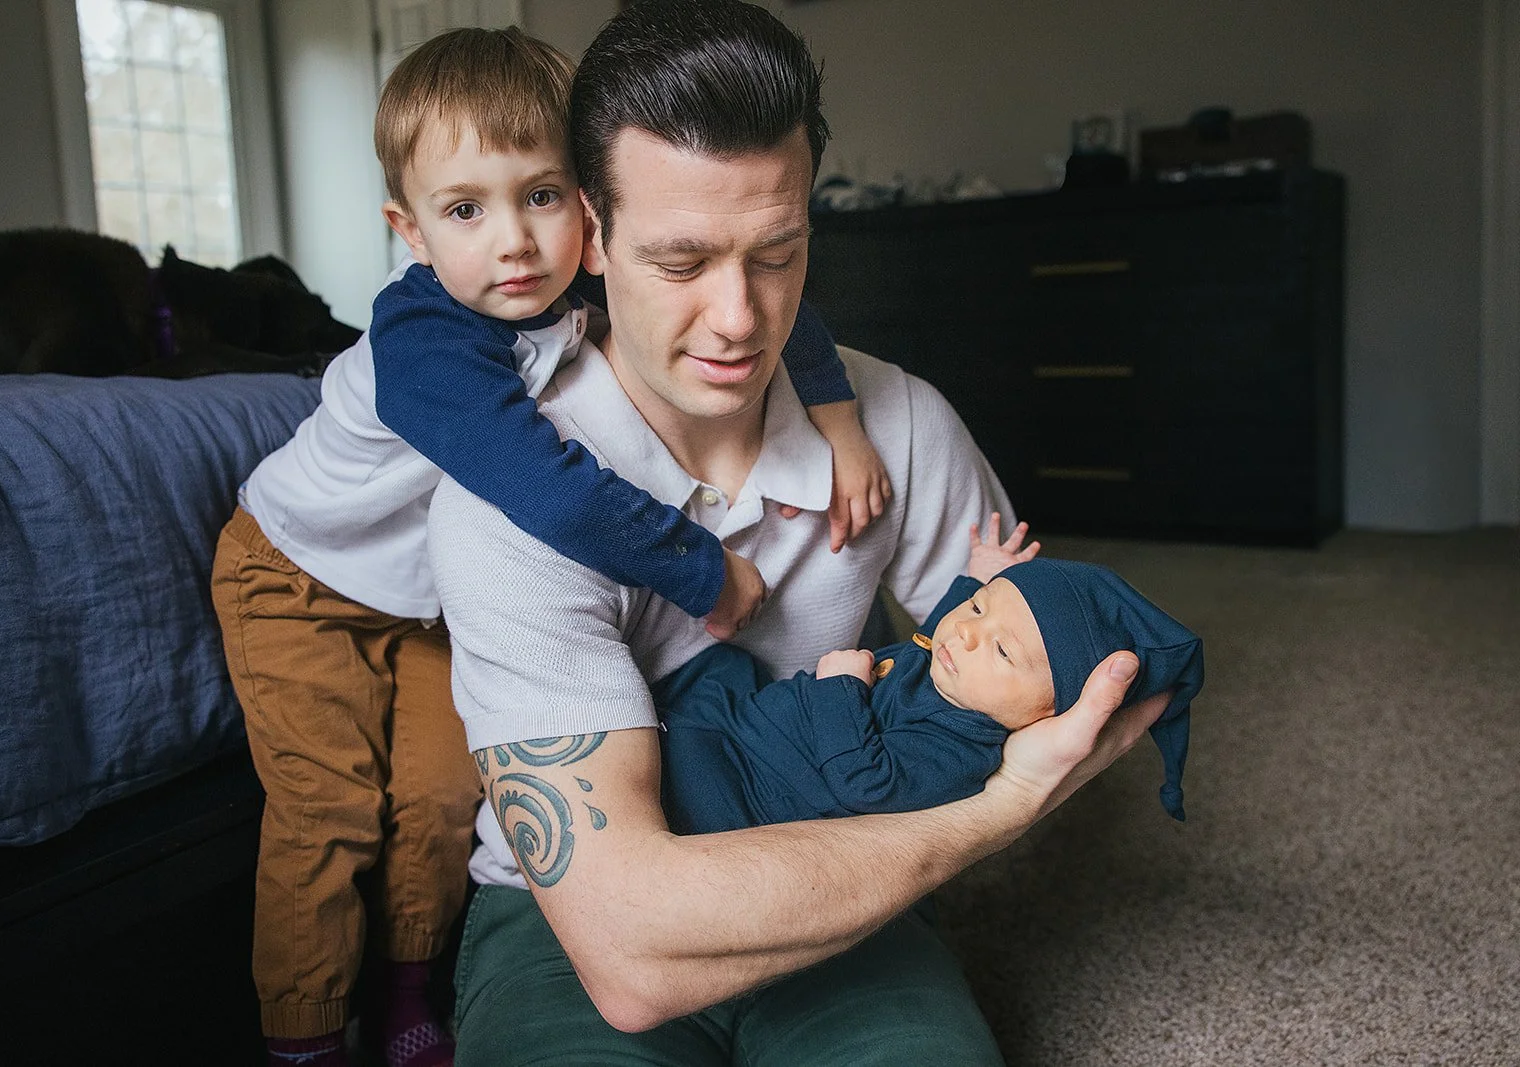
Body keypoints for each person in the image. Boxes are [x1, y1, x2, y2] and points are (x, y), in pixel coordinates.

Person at [423, 2, 1173, 1063]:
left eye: (776, 253)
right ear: (589, 232)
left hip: (839, 874)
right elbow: (631, 957)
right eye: (683, 264)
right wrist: (993, 812)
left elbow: (1056, 661)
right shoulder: (508, 497)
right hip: (570, 922)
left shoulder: (899, 421)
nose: (740, 317)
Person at [209, 25, 889, 1067]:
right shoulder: (426, 346)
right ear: (411, 231)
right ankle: (302, 1032)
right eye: (466, 211)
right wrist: (702, 567)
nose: (515, 243)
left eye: (541, 196)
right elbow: (550, 493)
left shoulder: (576, 286)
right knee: (331, 810)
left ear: (595, 213)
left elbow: (752, 285)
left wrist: (839, 421)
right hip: (296, 577)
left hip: (422, 595)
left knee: (443, 795)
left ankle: (409, 990)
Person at [654, 515, 1205, 836]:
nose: (965, 633)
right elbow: (948, 628)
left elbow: (867, 784)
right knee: (711, 665)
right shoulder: (959, 668)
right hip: (756, 718)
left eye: (1004, 652)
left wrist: (842, 687)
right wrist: (978, 579)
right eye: (981, 609)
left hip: (749, 788)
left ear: (1046, 713)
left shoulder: (960, 750)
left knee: (675, 753)